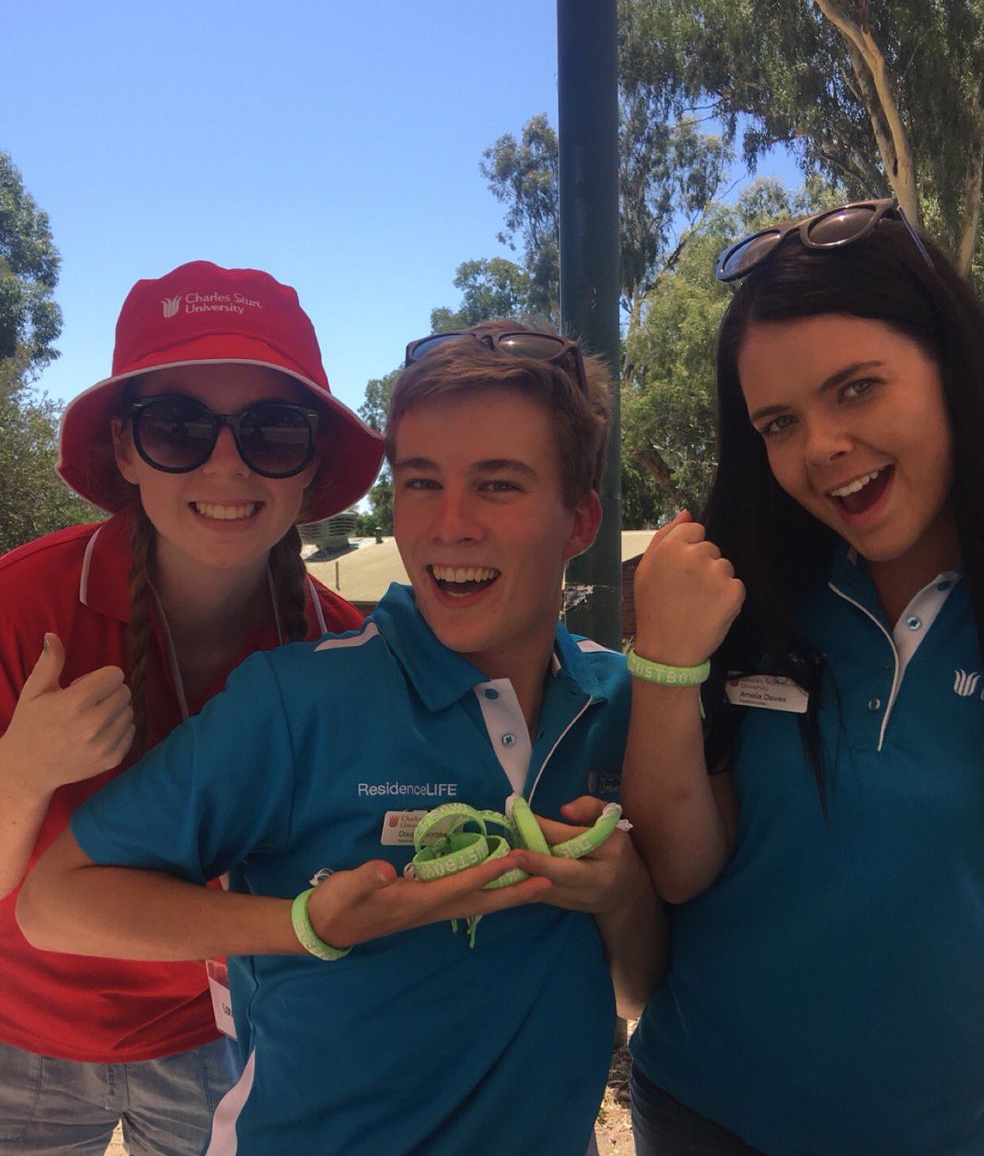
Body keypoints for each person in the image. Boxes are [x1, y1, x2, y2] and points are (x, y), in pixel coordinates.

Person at [18, 324, 666, 1156]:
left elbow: (642, 990)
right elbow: (54, 904)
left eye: (498, 486)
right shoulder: (299, 699)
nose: (449, 525)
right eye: (422, 483)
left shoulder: (619, 707)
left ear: (579, 522)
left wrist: (621, 896)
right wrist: (306, 923)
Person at [621, 198, 984, 1155]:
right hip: (705, 1108)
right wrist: (663, 665)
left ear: (951, 365)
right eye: (779, 422)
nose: (820, 447)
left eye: (857, 389)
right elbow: (687, 867)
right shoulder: (756, 592)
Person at [0, 259, 384, 1156]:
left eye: (273, 430)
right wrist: (23, 774)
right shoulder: (23, 608)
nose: (226, 465)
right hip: (20, 1038)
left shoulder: (342, 648)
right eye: (177, 427)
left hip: (225, 1038)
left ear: (311, 464)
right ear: (127, 449)